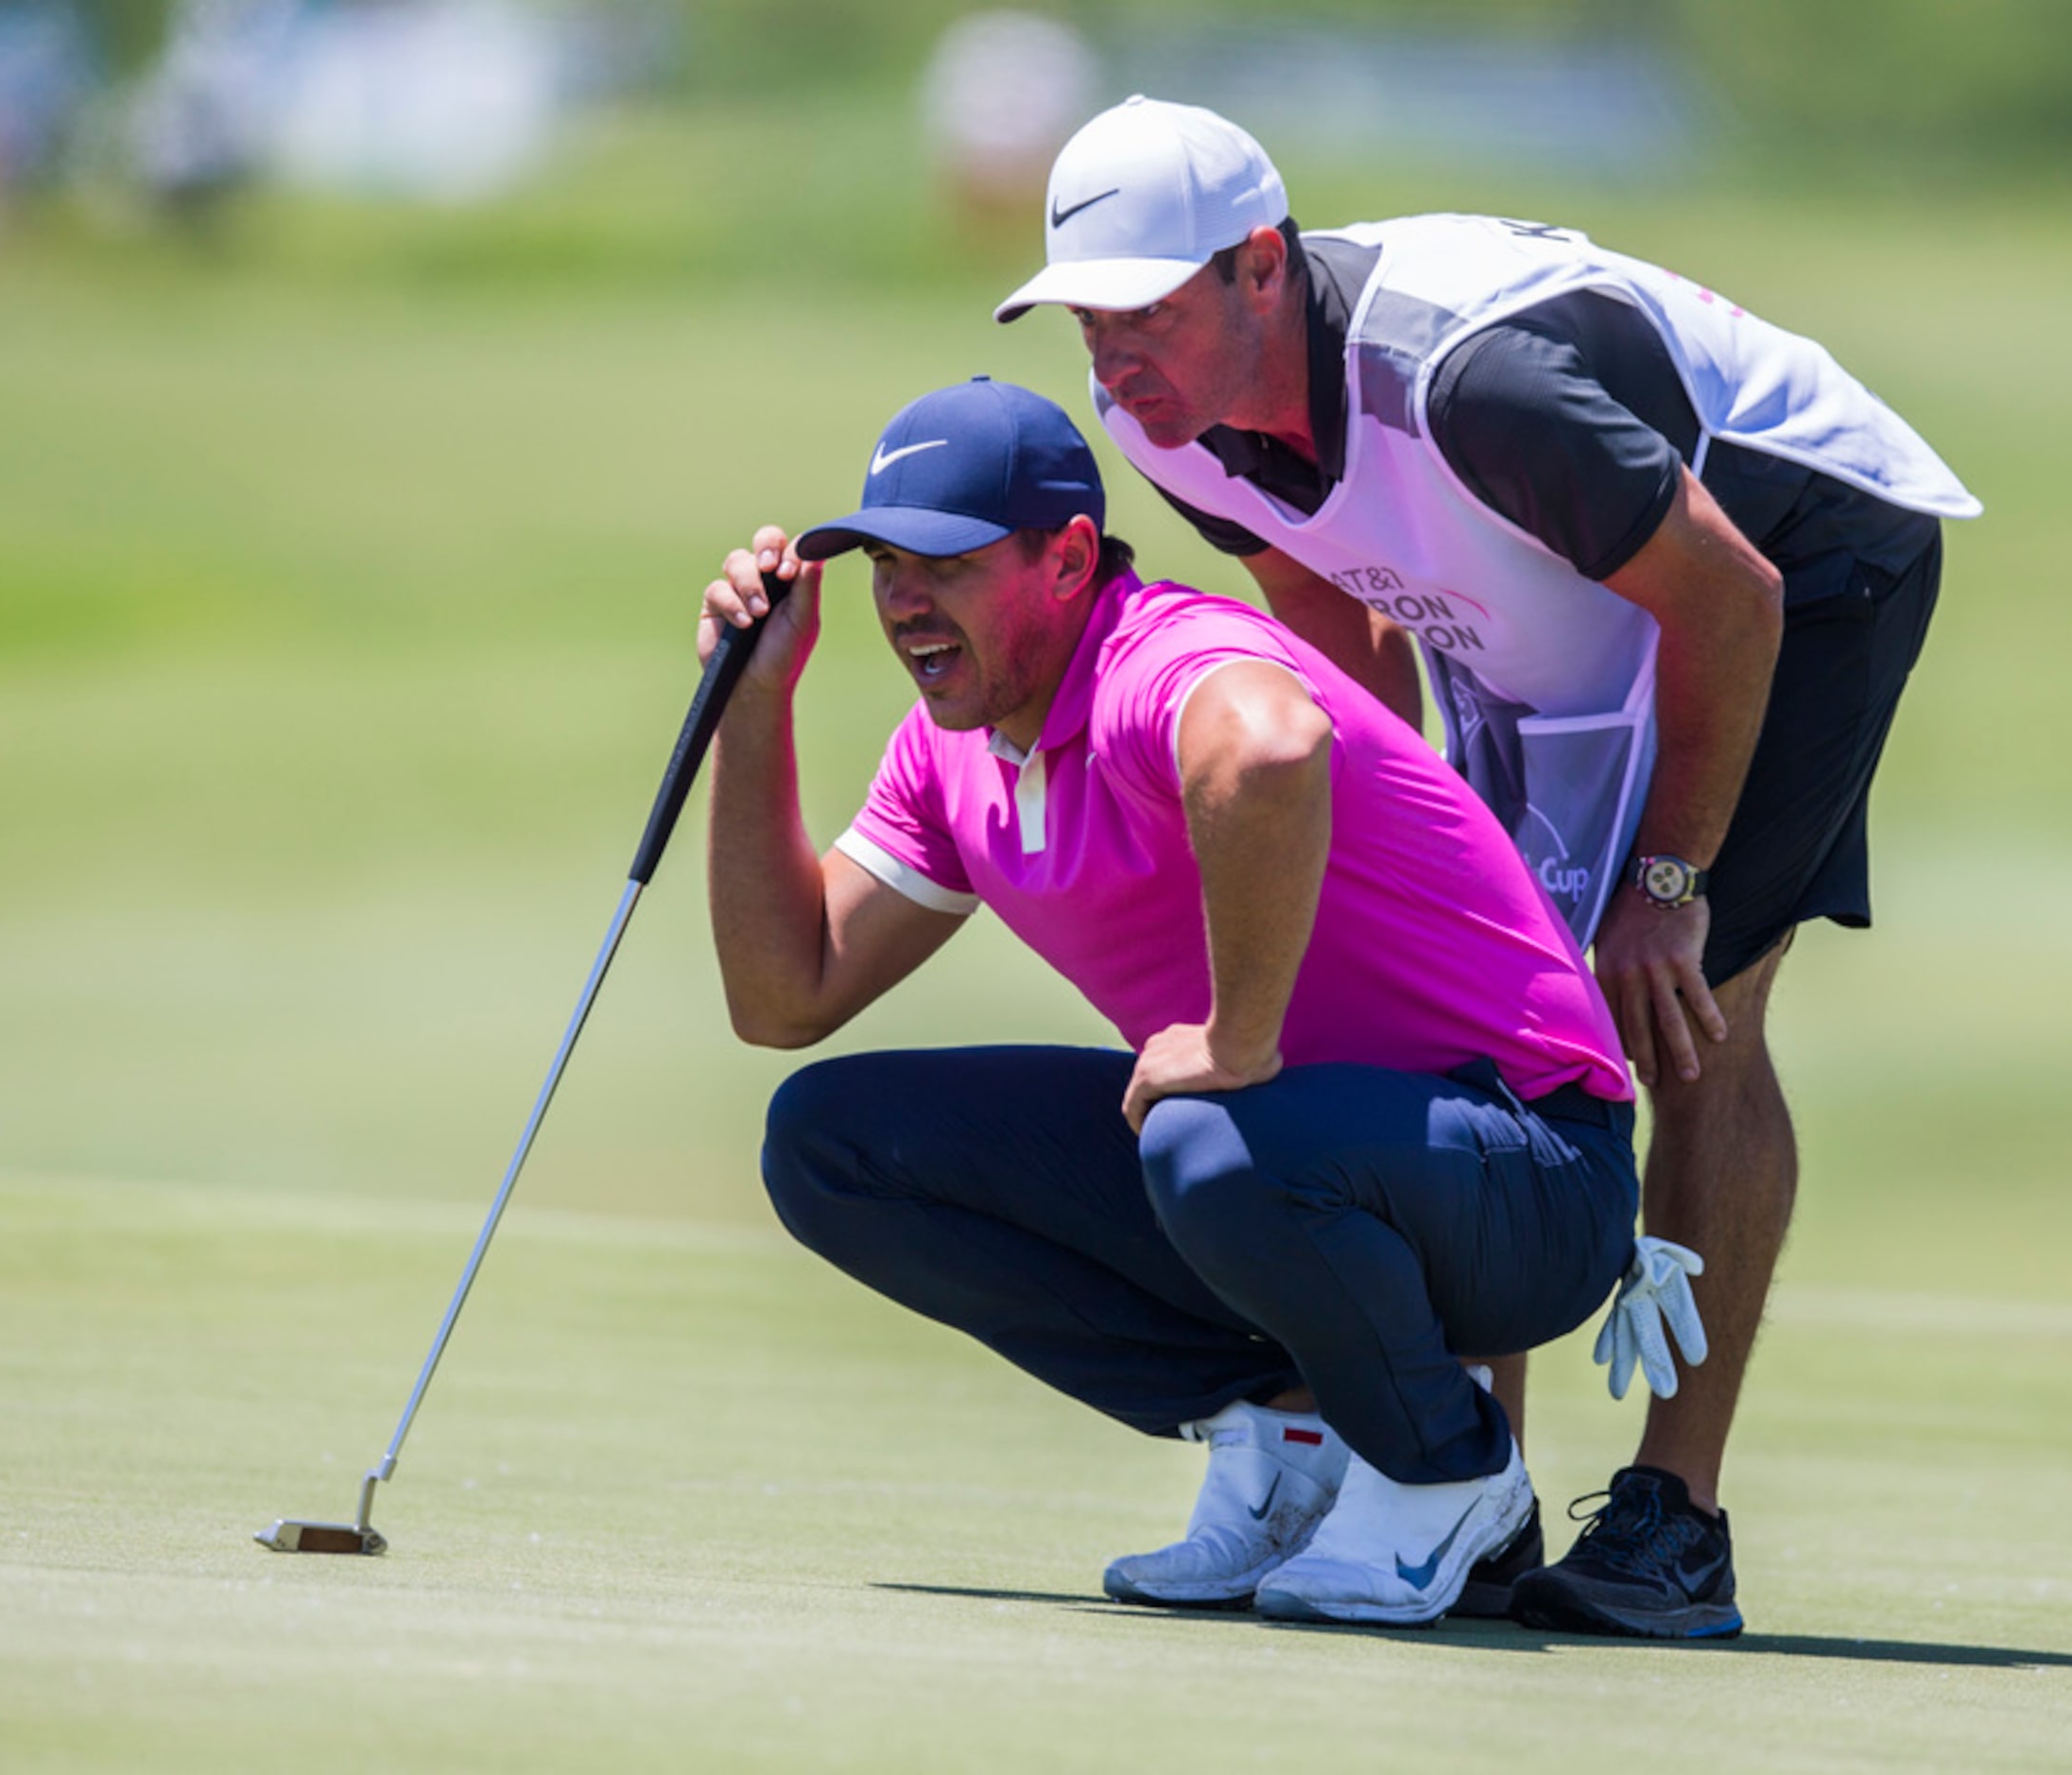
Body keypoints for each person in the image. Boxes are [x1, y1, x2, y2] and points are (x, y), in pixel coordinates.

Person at [995, 96, 1981, 1640]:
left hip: (1801, 554)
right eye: (1087, 325)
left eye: (1149, 315)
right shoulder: (1166, 423)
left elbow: (1729, 597)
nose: (1114, 362)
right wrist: (1404, 886)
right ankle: (1476, 1488)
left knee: (1683, 1000)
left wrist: (1665, 885)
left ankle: (1679, 1522)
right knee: (1472, 1004)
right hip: (1555, 599)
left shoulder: (1474, 384)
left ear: (1263, 267)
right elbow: (1342, 636)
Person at [699, 375, 1686, 1627]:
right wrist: (753, 710)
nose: (903, 601)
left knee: (1207, 1134)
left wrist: (1236, 1035)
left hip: (1534, 1172)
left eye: (943, 563)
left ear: (1064, 559)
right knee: (833, 1144)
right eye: (887, 563)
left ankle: (1451, 1469)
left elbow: (1271, 744)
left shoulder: (1157, 653)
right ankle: (1293, 1435)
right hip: (1307, 1167)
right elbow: (787, 993)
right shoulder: (951, 751)